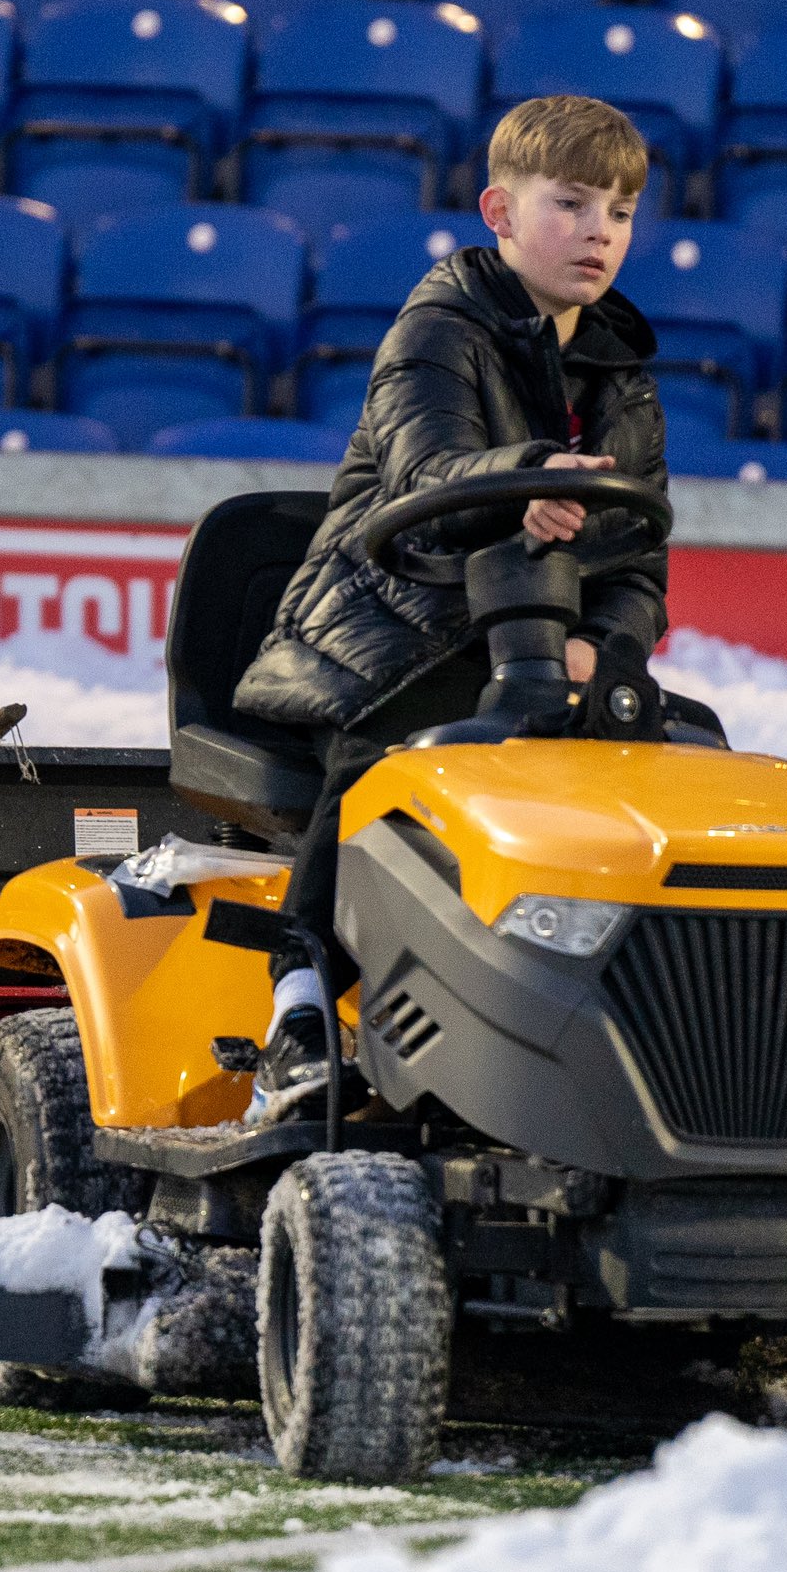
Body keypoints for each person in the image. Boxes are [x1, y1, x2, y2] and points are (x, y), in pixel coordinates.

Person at [223, 91, 671, 1123]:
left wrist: (608, 647)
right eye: (570, 204)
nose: (599, 232)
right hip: (389, 631)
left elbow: (638, 558)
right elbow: (426, 478)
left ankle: (648, 1020)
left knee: (682, 752)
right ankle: (299, 1008)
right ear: (500, 213)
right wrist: (527, 476)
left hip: (539, 646)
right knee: (394, 757)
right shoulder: (434, 332)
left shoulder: (624, 376)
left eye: (619, 212)